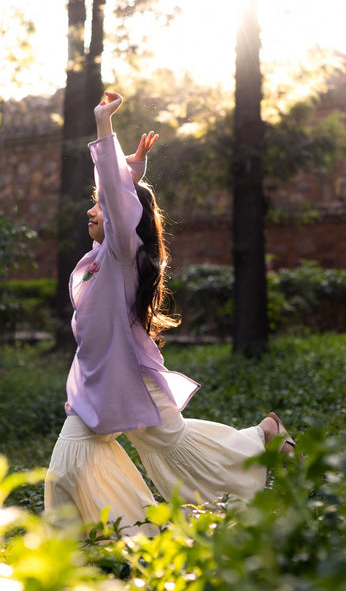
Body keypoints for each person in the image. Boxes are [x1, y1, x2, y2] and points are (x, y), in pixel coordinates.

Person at [45, 91, 296, 535]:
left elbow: (122, 207)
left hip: (133, 385)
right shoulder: (101, 258)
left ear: (122, 217)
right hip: (97, 387)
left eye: (100, 205)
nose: (92, 209)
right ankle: (105, 543)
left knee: (179, 452)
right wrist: (131, 172)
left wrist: (104, 124)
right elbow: (120, 199)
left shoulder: (123, 255)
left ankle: (262, 438)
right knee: (68, 466)